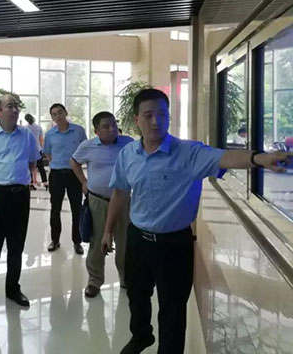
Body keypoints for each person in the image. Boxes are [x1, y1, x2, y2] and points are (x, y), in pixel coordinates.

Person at [101, 89, 292, 354]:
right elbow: (120, 192)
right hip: (138, 239)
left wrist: (258, 158)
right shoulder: (128, 155)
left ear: (169, 116)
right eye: (148, 115)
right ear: (137, 120)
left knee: (173, 307)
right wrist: (108, 230)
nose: (156, 121)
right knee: (136, 294)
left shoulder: (188, 153)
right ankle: (141, 336)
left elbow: (223, 156)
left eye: (162, 114)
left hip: (174, 244)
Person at [0, 94, 40, 312]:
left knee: (17, 246)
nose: (14, 110)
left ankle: (13, 289)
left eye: (16, 106)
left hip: (20, 196)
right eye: (9, 106)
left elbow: (32, 162)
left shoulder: (27, 135)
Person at [70, 111, 133, 298]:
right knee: (97, 241)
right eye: (106, 126)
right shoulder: (88, 146)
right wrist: (83, 181)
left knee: (125, 241)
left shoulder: (128, 143)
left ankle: (126, 278)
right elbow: (74, 162)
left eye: (114, 124)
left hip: (123, 201)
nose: (112, 129)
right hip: (97, 201)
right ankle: (94, 281)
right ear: (96, 131)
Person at [43, 103, 87, 254]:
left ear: (66, 112)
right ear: (52, 117)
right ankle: (55, 240)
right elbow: (48, 154)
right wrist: (58, 163)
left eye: (60, 112)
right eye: (54, 114)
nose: (58, 116)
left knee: (77, 209)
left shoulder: (78, 131)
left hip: (74, 174)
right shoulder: (50, 134)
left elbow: (84, 150)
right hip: (56, 175)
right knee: (55, 209)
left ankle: (77, 241)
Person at [24, 113, 47, 190]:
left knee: (30, 167)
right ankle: (45, 182)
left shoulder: (25, 128)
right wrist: (42, 148)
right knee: (41, 167)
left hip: (29, 149)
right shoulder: (38, 127)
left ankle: (31, 184)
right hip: (38, 149)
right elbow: (41, 139)